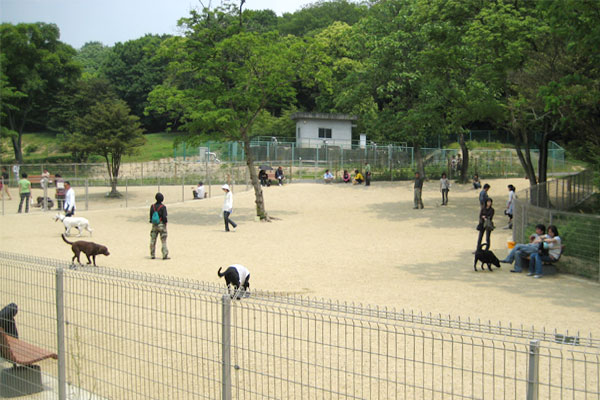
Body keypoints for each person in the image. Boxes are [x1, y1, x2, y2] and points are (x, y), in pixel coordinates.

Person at [149, 192, 169, 259]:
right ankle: (164, 254)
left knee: (153, 240)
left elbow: (151, 216)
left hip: (154, 225)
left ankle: (152, 254)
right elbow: (164, 217)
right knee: (163, 240)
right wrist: (165, 223)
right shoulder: (163, 207)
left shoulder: (152, 206)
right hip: (161, 224)